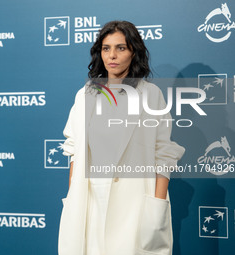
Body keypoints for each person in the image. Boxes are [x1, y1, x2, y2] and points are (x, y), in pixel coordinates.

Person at [58, 21, 185, 255]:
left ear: (134, 52)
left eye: (121, 48)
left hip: (134, 206)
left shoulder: (150, 95)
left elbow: (164, 154)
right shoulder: (85, 94)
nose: (112, 55)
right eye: (106, 48)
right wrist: (72, 198)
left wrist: (156, 206)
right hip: (90, 204)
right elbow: (74, 150)